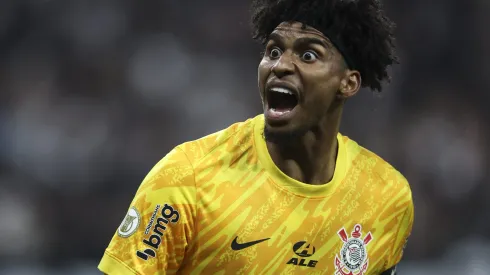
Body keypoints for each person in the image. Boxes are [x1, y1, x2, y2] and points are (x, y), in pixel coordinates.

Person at [98, 0, 414, 274]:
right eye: (274, 50)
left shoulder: (386, 196)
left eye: (308, 55)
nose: (280, 65)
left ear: (348, 83)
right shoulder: (187, 178)